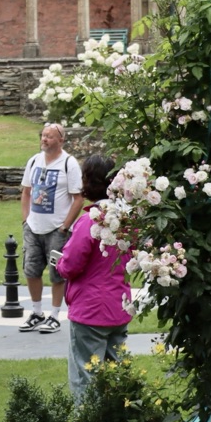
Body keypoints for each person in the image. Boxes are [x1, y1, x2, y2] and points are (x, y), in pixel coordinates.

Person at [52, 152, 129, 401]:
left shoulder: (89, 222)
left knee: (86, 377)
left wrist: (60, 263)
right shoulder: (126, 221)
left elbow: (72, 265)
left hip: (91, 308)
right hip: (119, 305)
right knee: (117, 375)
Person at [18, 122, 83, 333]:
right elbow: (26, 192)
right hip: (33, 227)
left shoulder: (69, 164)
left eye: (50, 136)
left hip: (57, 230)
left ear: (60, 140)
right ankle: (37, 312)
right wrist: (26, 220)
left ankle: (55, 315)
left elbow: (78, 199)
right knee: (31, 269)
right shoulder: (34, 161)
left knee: (57, 273)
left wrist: (65, 226)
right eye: (43, 135)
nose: (44, 139)